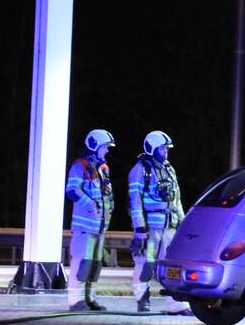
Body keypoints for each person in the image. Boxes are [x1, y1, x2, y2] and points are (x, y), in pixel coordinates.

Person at [128, 130, 188, 313]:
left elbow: (177, 199)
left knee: (171, 265)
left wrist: (183, 222)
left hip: (169, 226)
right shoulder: (140, 170)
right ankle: (142, 300)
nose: (166, 152)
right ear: (152, 148)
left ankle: (176, 304)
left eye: (166, 149)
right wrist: (140, 228)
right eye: (162, 149)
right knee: (145, 264)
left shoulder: (169, 169)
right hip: (150, 228)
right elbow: (135, 201)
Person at [65, 129, 116, 312]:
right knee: (82, 263)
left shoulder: (103, 168)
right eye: (105, 147)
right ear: (94, 146)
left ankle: (89, 299)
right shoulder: (79, 166)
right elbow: (72, 190)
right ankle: (75, 301)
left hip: (99, 226)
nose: (107, 151)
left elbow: (106, 193)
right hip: (85, 227)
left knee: (94, 265)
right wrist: (91, 205)